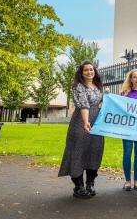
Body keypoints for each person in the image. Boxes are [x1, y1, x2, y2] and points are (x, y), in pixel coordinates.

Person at [59, 60, 104, 199]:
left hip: (96, 123)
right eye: (86, 70)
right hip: (81, 121)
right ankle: (78, 186)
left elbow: (101, 103)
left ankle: (90, 184)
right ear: (81, 73)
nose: (89, 72)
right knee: (78, 151)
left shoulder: (97, 86)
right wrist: (86, 122)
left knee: (94, 151)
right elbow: (84, 105)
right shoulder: (79, 86)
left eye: (91, 69)